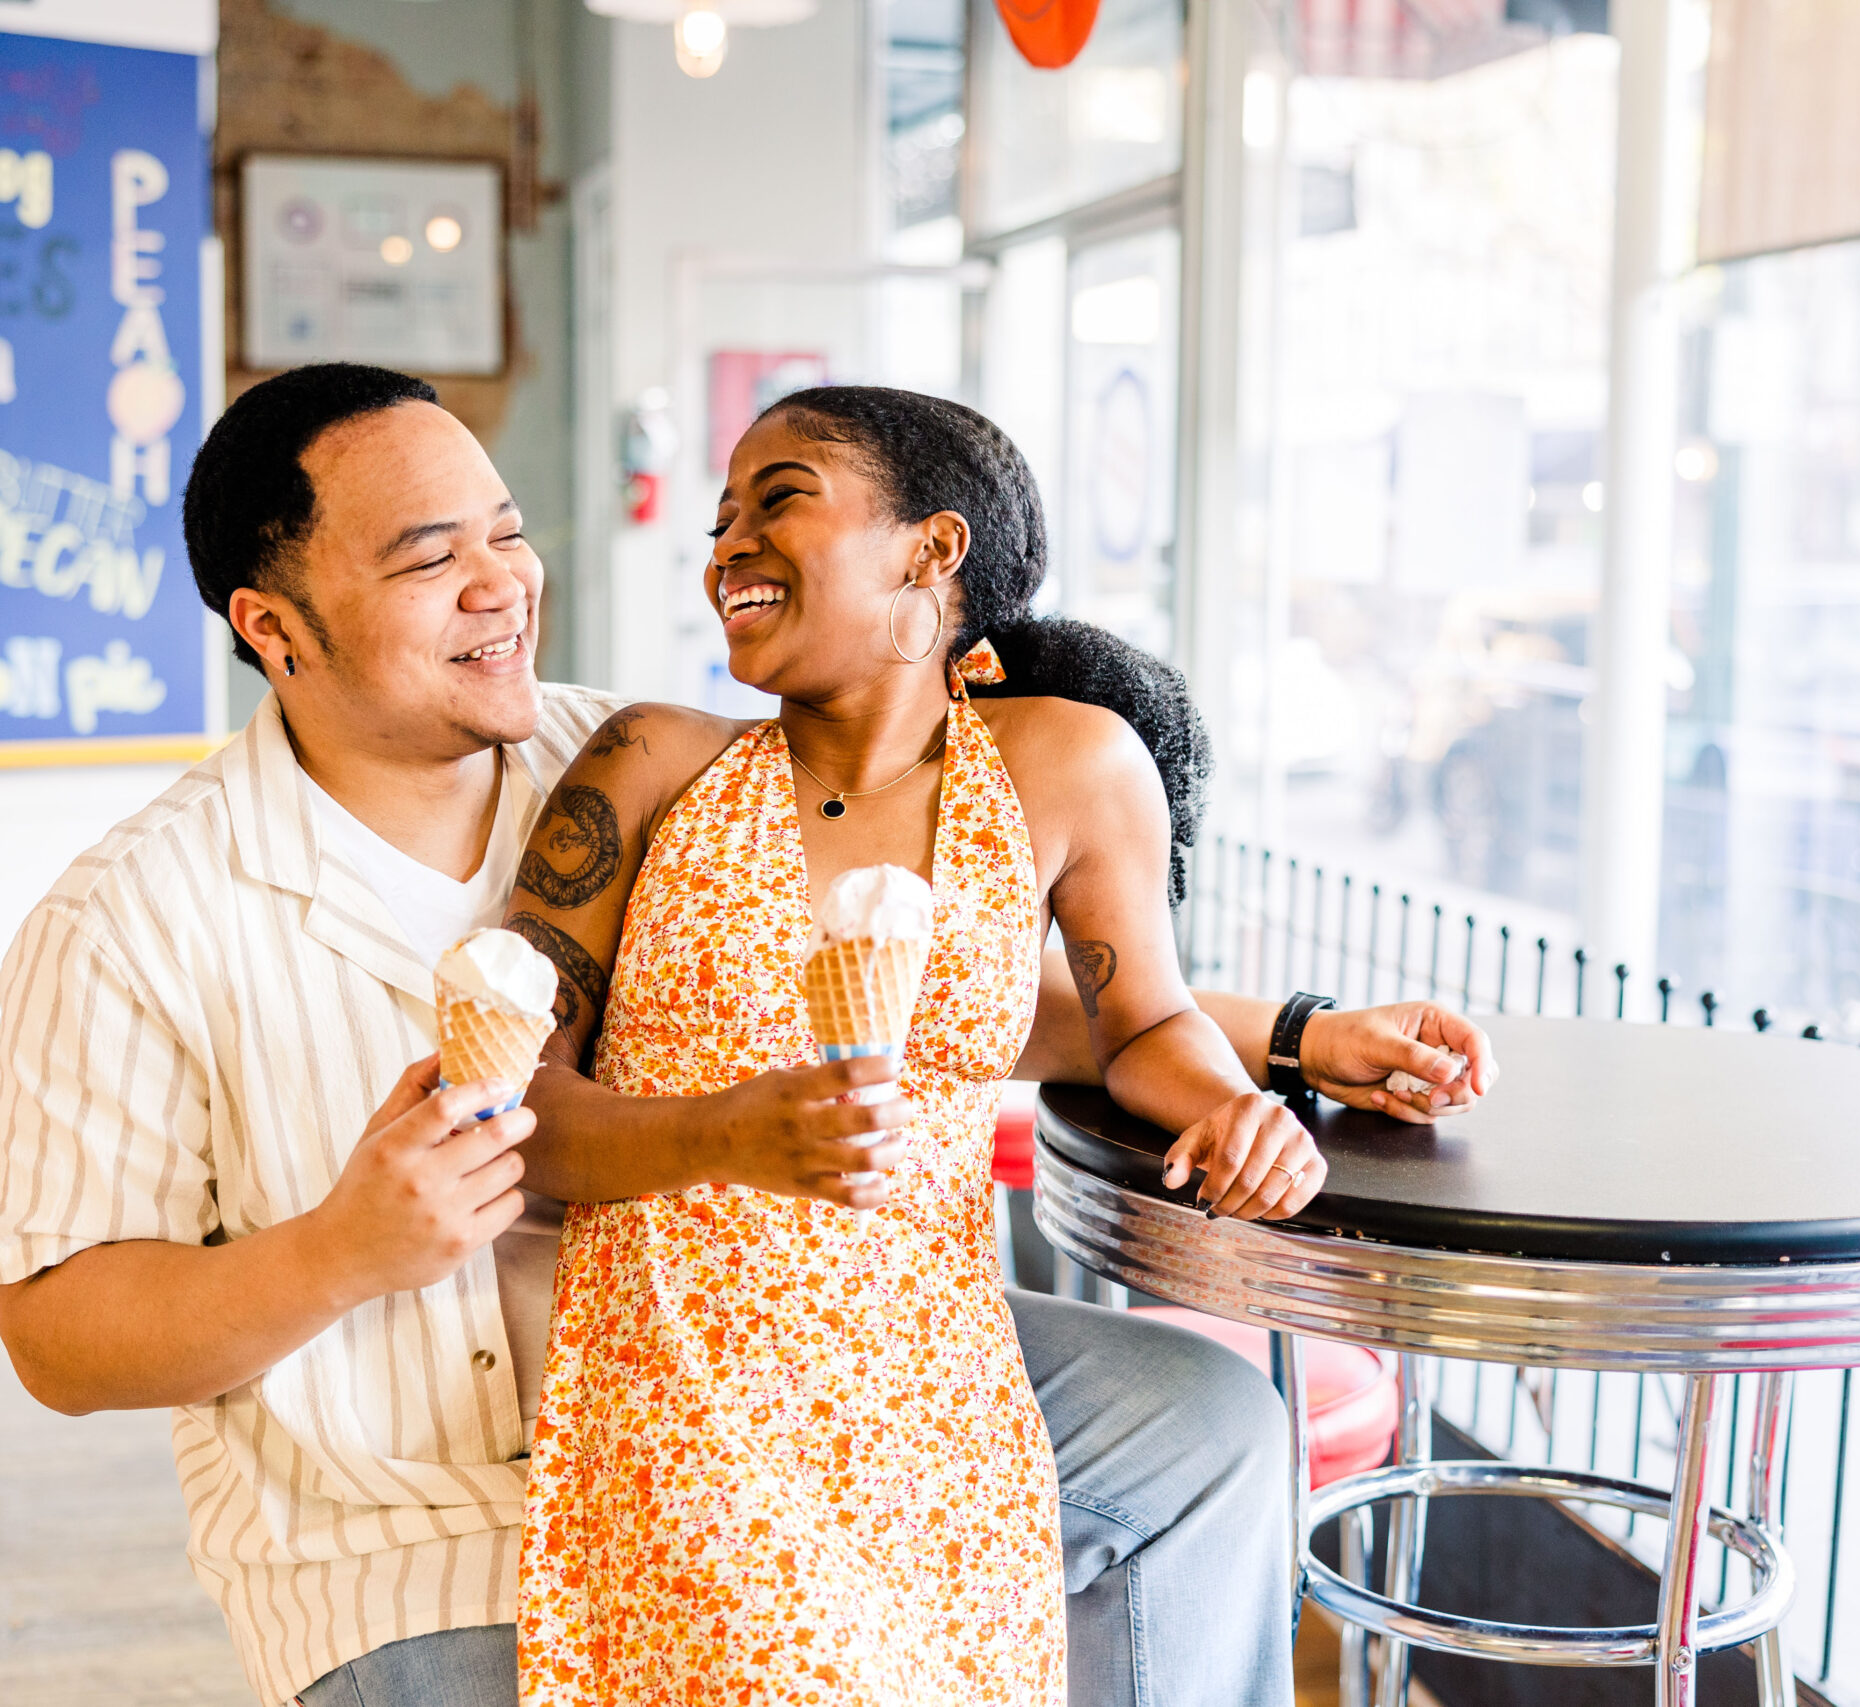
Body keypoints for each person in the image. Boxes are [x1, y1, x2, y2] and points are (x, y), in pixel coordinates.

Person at [0, 363, 1497, 1707]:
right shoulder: (131, 920)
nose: (502, 583)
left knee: (1207, 1426)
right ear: (273, 627)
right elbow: (57, 1333)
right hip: (426, 1526)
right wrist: (338, 1250)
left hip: (807, 1359)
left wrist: (1287, 1036)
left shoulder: (624, 751)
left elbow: (961, 990)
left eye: (506, 533)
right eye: (432, 559)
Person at [505, 385, 1352, 1704]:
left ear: (930, 550)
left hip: (927, 1379)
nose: (727, 544)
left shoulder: (1070, 765)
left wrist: (1238, 1107)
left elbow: (1146, 1025)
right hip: (676, 1371)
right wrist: (730, 1132)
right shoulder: (651, 764)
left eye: (777, 499)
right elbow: (518, 1118)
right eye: (720, 519)